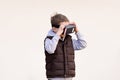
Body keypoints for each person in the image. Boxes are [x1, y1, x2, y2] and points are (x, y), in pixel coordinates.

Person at [44, 13, 87, 80]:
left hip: (68, 76)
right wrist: (58, 34)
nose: (65, 30)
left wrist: (77, 31)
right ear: (54, 28)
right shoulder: (49, 39)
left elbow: (83, 44)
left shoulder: (69, 40)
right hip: (55, 76)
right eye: (63, 28)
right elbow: (50, 50)